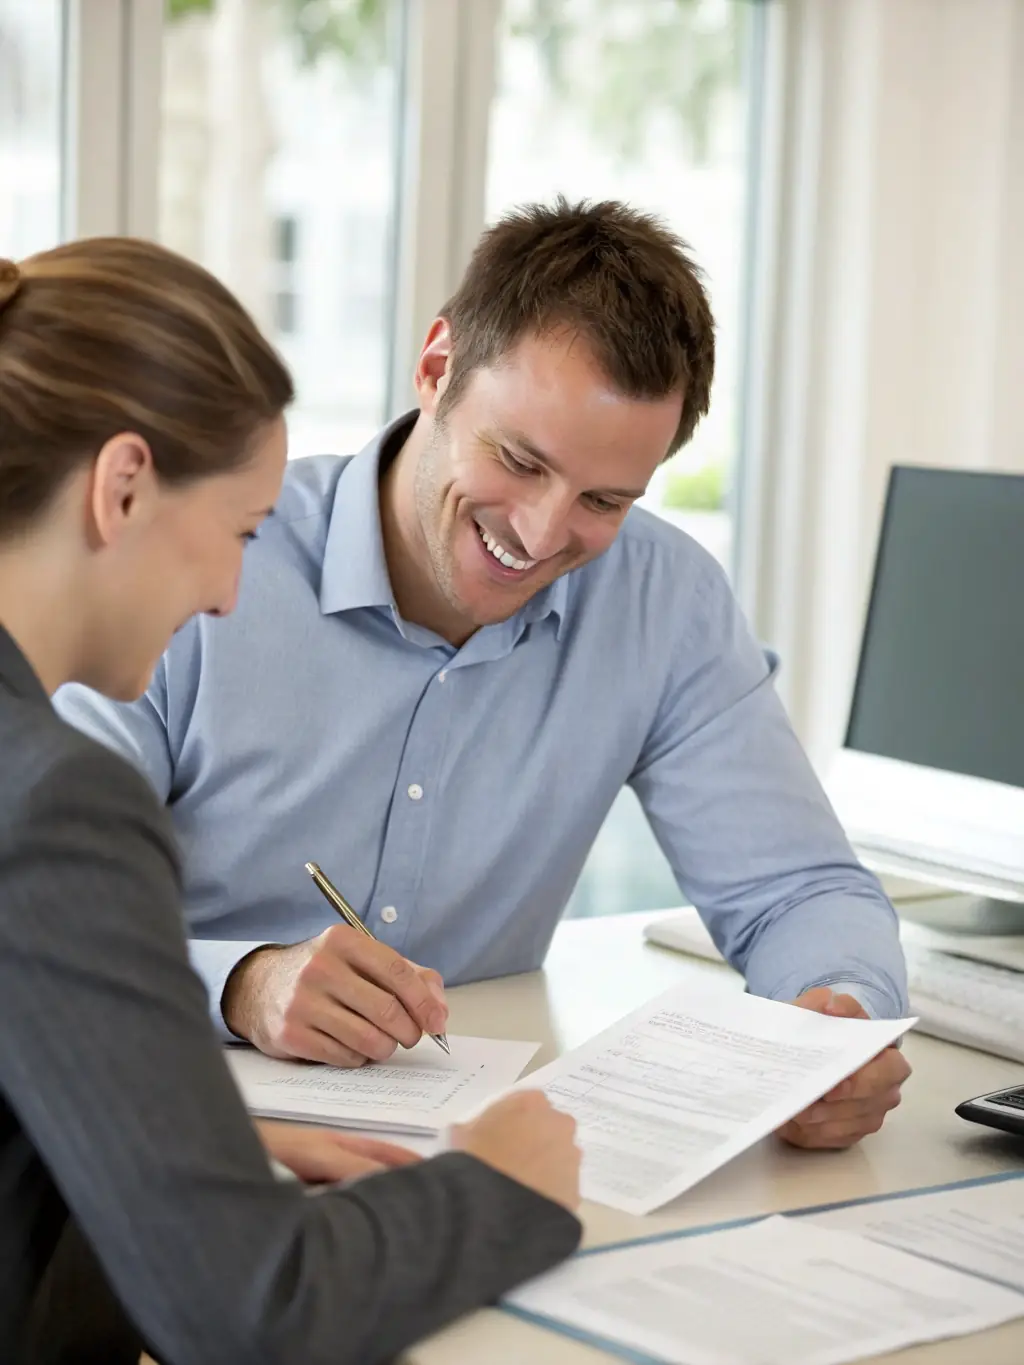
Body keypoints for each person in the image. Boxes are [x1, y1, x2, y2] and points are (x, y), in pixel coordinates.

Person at [57, 199, 912, 1155]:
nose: (544, 534)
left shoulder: (663, 599)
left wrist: (834, 1017)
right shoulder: (205, 560)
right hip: (164, 1134)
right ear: (436, 368)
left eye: (603, 499)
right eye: (519, 460)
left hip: (470, 1148)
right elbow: (35, 912)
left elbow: (799, 889)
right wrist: (239, 982)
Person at [0, 239, 582, 1365]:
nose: (226, 595)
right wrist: (495, 1191)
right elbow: (253, 1311)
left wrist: (188, 1143)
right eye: (236, 536)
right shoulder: (58, 800)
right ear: (122, 487)